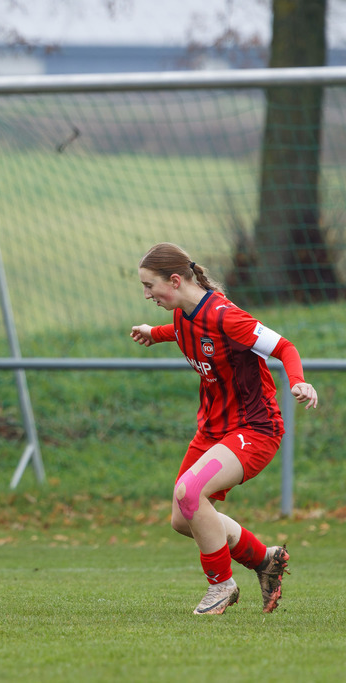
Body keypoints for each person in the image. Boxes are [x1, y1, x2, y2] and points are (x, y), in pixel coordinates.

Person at [130, 242, 318, 616]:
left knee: (191, 491)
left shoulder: (226, 316)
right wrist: (155, 332)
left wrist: (298, 381)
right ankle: (265, 559)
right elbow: (185, 331)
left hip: (254, 428)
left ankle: (221, 585)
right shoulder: (185, 313)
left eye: (150, 286)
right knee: (183, 519)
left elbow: (285, 347)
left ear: (174, 279)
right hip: (213, 429)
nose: (147, 294)